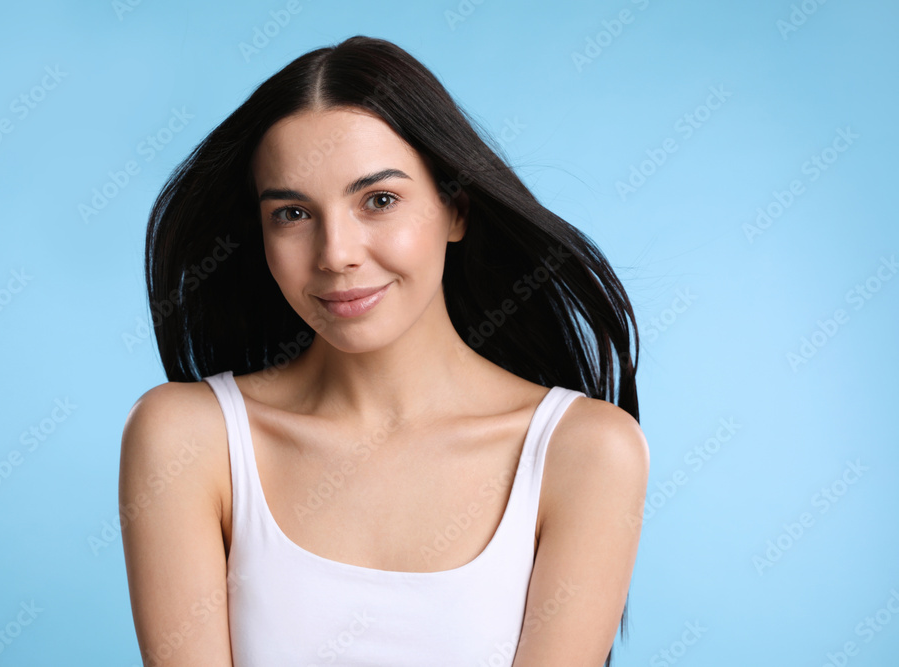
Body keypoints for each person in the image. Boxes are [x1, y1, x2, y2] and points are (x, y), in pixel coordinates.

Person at [119, 35, 649, 666]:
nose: (336, 253)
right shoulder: (186, 440)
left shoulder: (584, 452)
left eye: (379, 200)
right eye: (292, 213)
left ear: (456, 209)